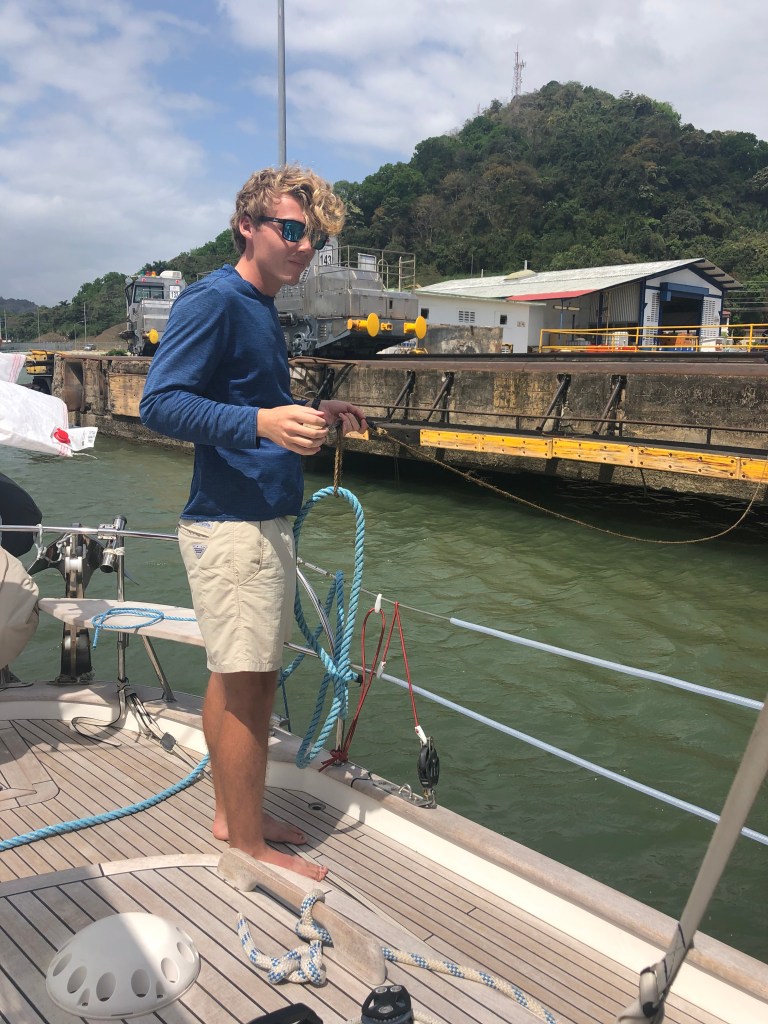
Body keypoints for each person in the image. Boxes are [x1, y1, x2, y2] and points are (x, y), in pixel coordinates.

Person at [140, 165, 367, 880]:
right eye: (291, 229)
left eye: (314, 237)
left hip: (254, 519)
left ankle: (231, 814)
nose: (304, 247)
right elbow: (160, 403)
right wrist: (264, 422)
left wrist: (310, 412)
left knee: (232, 679)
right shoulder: (216, 299)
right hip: (234, 527)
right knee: (250, 689)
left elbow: (244, 400)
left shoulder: (260, 306)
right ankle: (246, 846)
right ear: (247, 225)